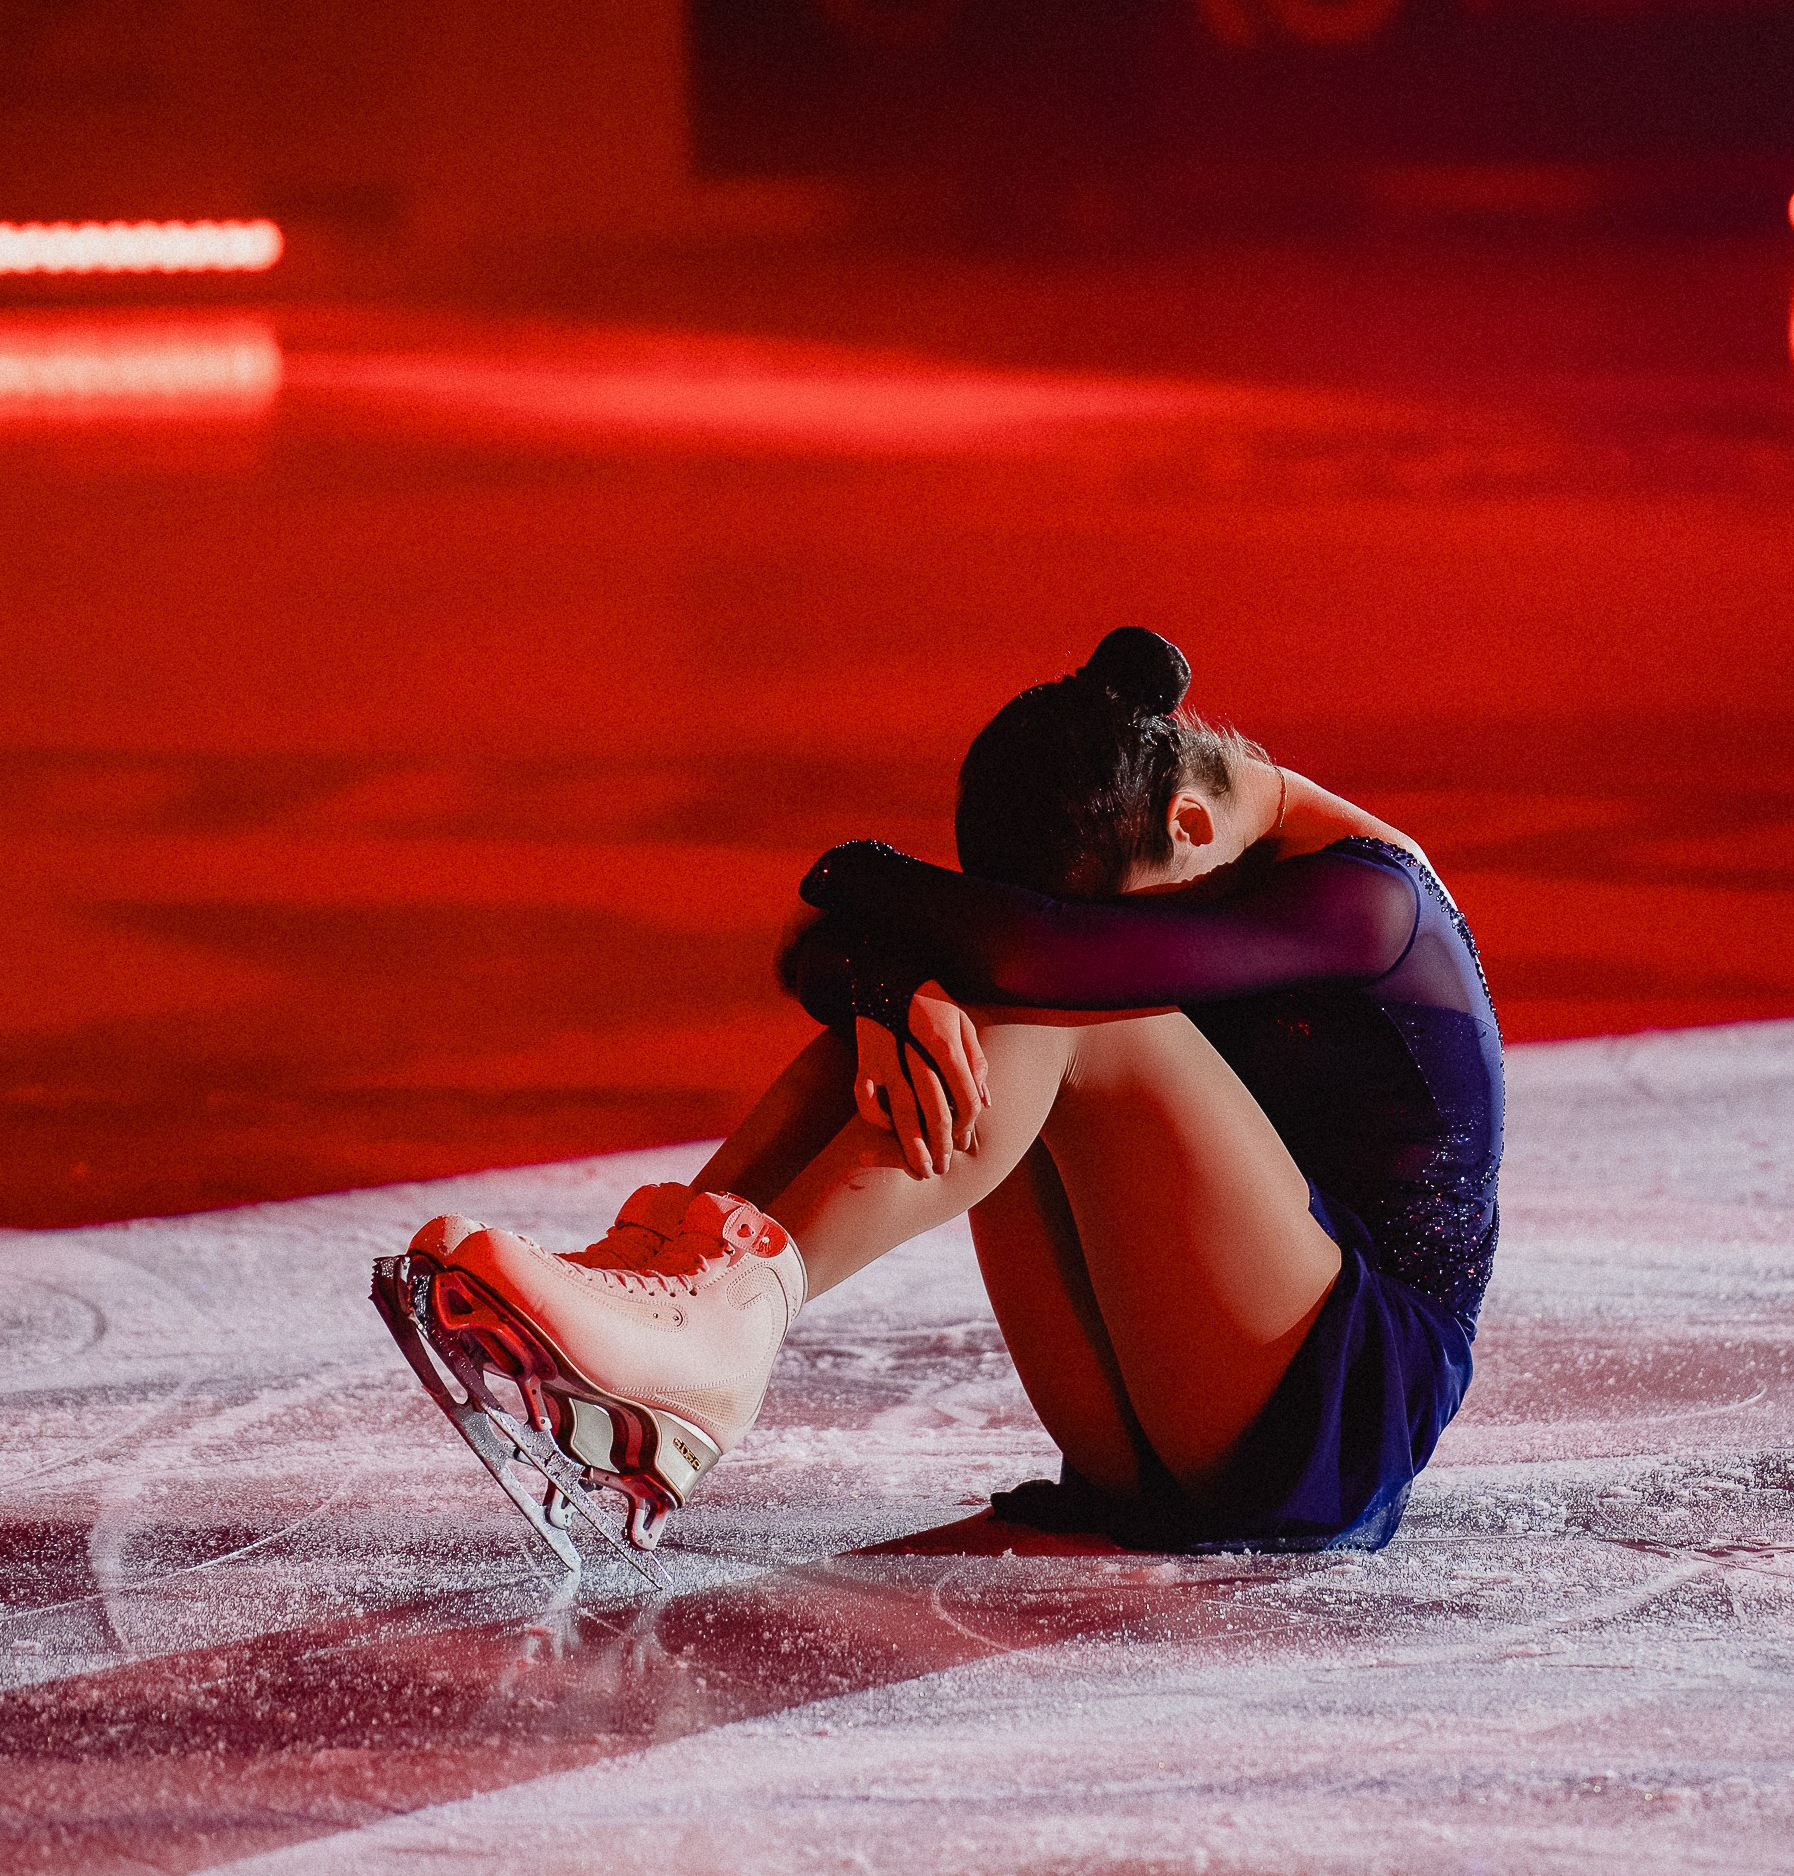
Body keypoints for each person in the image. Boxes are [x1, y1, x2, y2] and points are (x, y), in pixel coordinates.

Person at [382, 628, 1502, 1560]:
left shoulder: (1370, 905)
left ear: (1190, 828)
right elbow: (870, 948)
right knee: (949, 1011)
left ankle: (716, 1342)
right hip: (1160, 1409)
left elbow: (1042, 958)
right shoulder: (1193, 854)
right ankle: (666, 1290)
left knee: (1060, 1008)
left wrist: (864, 889)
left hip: (1339, 1406)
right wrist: (891, 993)